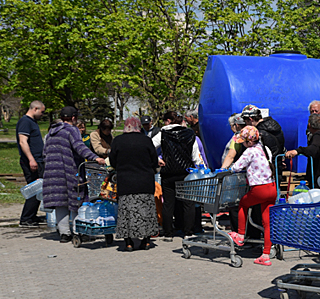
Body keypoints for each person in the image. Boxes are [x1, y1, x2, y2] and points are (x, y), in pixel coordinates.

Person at [42, 106, 105, 242]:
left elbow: (44, 153)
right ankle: (79, 232)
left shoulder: (51, 132)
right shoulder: (71, 130)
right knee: (78, 200)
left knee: (61, 202)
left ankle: (64, 234)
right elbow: (79, 146)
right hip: (68, 171)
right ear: (73, 118)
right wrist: (95, 158)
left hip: (52, 172)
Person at [227, 126, 277, 266]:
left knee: (243, 204)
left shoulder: (250, 151)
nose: (242, 143)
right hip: (272, 187)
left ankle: (241, 236)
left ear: (249, 142)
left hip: (259, 189)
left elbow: (237, 167)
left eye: (243, 141)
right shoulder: (264, 149)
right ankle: (265, 255)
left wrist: (228, 170)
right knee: (267, 222)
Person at [109, 117, 159, 251]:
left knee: (126, 212)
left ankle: (129, 243)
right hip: (145, 182)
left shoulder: (118, 141)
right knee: (146, 211)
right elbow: (154, 161)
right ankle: (146, 241)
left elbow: (113, 161)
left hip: (126, 182)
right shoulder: (146, 140)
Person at [152, 110, 203, 240]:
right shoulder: (190, 133)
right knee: (188, 204)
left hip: (168, 172)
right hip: (186, 172)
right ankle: (188, 232)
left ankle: (168, 233)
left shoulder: (163, 133)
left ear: (168, 121)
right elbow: (195, 155)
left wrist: (157, 160)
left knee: (169, 203)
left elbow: (149, 146)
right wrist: (201, 168)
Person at [285, 113, 320, 188]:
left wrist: (298, 151)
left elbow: (313, 149)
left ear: (309, 125)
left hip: (319, 178)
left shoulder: (318, 136)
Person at [17, 100, 46, 227]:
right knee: (34, 189)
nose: (42, 115)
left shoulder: (32, 122)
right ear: (35, 109)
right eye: (42, 112)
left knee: (39, 189)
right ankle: (26, 219)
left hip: (38, 159)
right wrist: (31, 159)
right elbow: (23, 142)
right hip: (31, 161)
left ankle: (32, 216)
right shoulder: (25, 122)